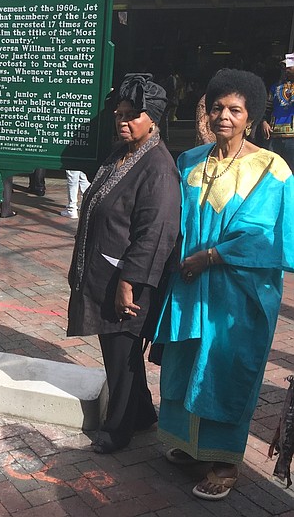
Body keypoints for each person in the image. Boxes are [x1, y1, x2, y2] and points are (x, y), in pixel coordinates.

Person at [155, 69, 294, 501]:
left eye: (235, 109)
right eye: (217, 107)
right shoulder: (190, 161)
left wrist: (211, 256)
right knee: (185, 360)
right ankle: (188, 442)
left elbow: (264, 233)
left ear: (250, 115)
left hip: (240, 293)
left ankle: (224, 461)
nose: (224, 116)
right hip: (190, 286)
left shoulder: (272, 168)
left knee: (228, 367)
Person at [67, 73, 181, 454]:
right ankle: (144, 414)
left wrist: (130, 281)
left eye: (132, 114)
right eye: (119, 113)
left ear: (154, 119)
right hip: (105, 271)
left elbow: (156, 231)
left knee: (121, 359)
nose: (123, 120)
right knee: (120, 354)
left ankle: (117, 431)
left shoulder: (159, 167)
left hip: (126, 279)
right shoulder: (122, 154)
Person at [261, 53, 294, 172]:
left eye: (289, 67)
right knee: (272, 169)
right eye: (284, 68)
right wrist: (264, 121)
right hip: (274, 134)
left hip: (292, 136)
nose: (286, 70)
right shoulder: (275, 87)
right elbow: (267, 108)